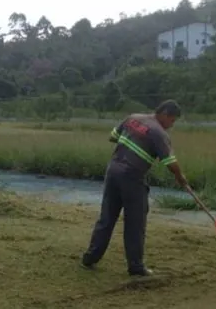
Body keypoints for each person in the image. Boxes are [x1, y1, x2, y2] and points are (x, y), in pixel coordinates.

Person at [81, 99, 191, 276]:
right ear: (165, 114)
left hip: (113, 171)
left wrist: (133, 142)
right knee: (135, 222)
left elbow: (113, 137)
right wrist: (180, 177)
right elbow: (170, 162)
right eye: (172, 121)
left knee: (107, 217)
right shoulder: (158, 133)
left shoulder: (133, 118)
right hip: (131, 177)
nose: (171, 125)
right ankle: (136, 266)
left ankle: (90, 257)